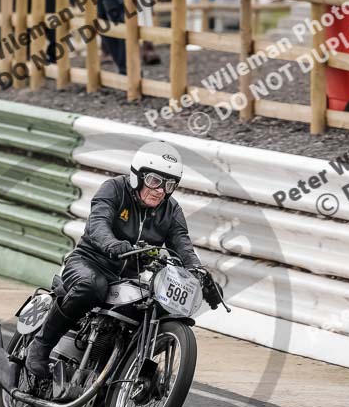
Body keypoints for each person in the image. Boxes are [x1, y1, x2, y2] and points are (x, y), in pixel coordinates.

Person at [26, 141, 212, 379]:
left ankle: (113, 374)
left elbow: (182, 243)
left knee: (150, 307)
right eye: (155, 181)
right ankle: (40, 346)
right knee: (92, 285)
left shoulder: (171, 210)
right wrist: (111, 244)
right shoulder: (114, 188)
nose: (160, 190)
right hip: (89, 262)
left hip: (128, 277)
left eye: (169, 184)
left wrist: (198, 271)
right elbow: (98, 223)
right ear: (138, 176)